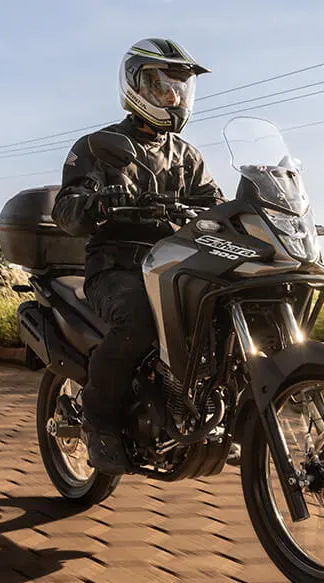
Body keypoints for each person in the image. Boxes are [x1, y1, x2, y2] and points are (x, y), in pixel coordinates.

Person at [52, 38, 224, 474]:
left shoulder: (188, 157)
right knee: (139, 322)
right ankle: (100, 424)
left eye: (179, 88)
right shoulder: (97, 146)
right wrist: (100, 201)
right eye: (162, 85)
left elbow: (215, 204)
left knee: (220, 318)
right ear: (135, 86)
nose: (173, 96)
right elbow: (66, 210)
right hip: (117, 266)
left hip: (173, 265)